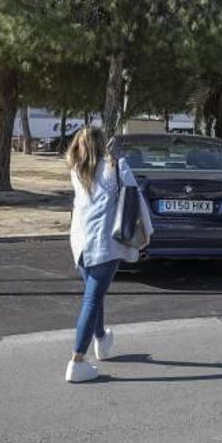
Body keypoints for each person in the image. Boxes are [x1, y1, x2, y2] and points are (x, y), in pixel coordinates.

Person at [64, 127, 149, 383]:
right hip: (105, 244)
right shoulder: (116, 166)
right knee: (91, 300)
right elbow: (134, 197)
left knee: (95, 293)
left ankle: (101, 339)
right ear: (103, 144)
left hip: (80, 243)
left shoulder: (76, 171)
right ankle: (77, 361)